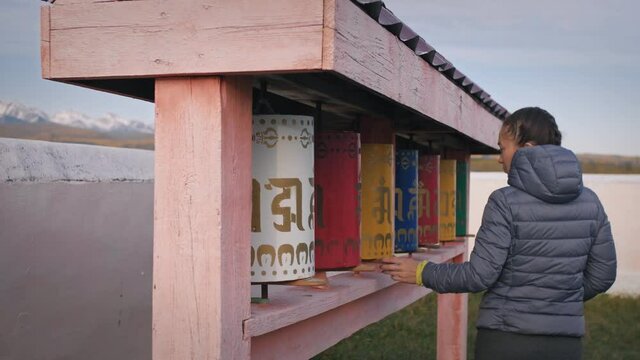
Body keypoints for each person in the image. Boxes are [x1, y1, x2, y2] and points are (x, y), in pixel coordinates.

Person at [381, 107, 617, 360]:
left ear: (525, 148)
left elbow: (480, 275)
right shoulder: (591, 202)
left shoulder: (504, 201)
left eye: (502, 148)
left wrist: (420, 272)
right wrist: (560, 299)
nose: (498, 157)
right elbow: (603, 275)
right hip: (565, 344)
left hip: (506, 339)